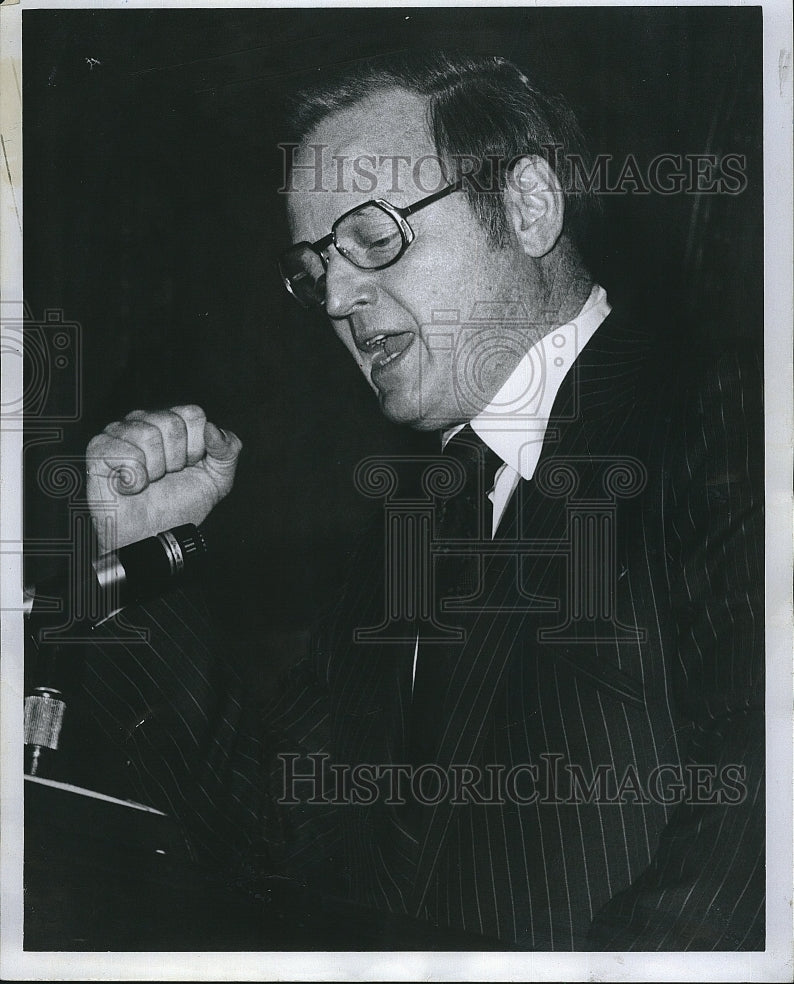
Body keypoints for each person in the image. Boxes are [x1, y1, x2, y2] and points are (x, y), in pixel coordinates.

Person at [80, 53, 764, 950]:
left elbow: (764, 806)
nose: (337, 296)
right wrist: (148, 565)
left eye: (373, 235)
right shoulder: (404, 547)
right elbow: (280, 849)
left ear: (527, 208)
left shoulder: (727, 420)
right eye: (315, 265)